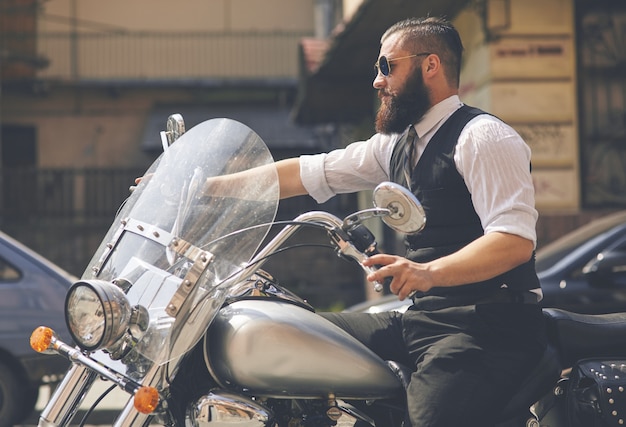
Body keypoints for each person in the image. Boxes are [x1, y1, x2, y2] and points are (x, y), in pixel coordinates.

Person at [272, 16, 547, 427]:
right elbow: (306, 172)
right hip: (424, 319)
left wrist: (425, 272)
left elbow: (513, 241)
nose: (377, 81)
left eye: (387, 66)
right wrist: (198, 186)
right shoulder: (398, 146)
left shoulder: (483, 137)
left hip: (486, 328)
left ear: (430, 65)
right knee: (292, 333)